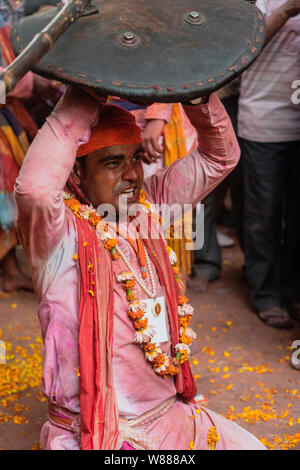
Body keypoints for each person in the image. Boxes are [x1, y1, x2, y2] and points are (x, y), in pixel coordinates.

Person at [15, 85, 265, 450]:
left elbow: (219, 159)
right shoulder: (56, 232)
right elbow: (35, 190)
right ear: (77, 175)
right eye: (112, 163)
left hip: (169, 418)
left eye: (135, 159)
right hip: (98, 434)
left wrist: (196, 91)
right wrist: (88, 91)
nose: (132, 174)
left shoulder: (152, 205)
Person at [238, 0, 300, 328]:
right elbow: (245, 47)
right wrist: (288, 9)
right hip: (263, 124)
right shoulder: (260, 2)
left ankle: (291, 289)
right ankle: (265, 292)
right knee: (264, 213)